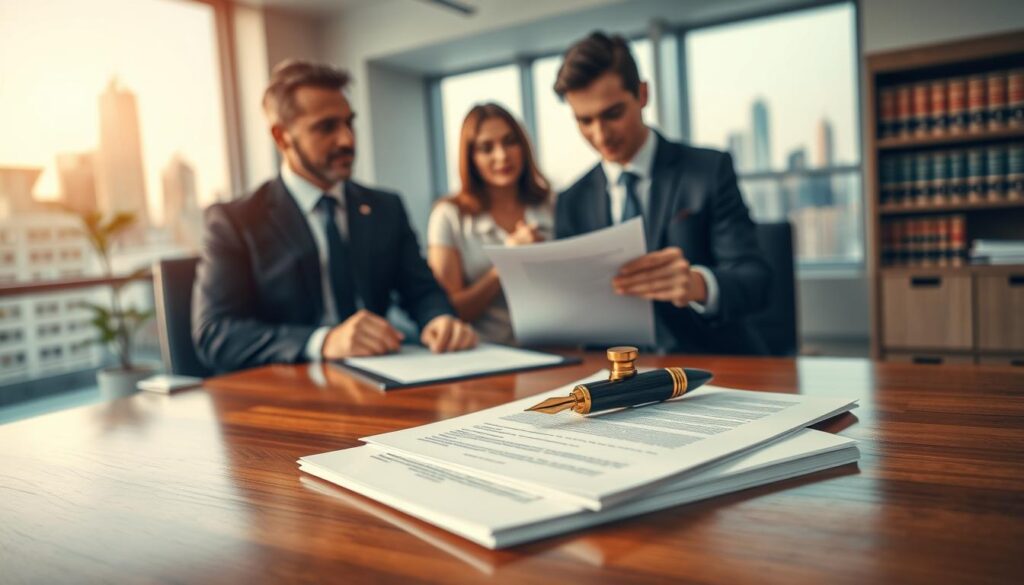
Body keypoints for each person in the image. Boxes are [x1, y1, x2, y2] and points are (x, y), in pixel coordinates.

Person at [192, 60, 476, 373]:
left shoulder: (385, 207)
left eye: (349, 123)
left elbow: (422, 290)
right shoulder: (235, 221)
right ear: (282, 137)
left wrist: (438, 319)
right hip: (289, 391)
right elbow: (215, 334)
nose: (347, 140)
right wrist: (324, 341)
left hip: (386, 377)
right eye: (326, 127)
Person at [553, 32, 772, 354]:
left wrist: (698, 285)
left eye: (612, 114)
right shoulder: (570, 202)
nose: (600, 135)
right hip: (615, 377)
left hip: (711, 362)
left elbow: (757, 281)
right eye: (584, 121)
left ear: (642, 94)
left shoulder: (708, 170)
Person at [426, 104, 553, 344]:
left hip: (559, 348)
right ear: (470, 157)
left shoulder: (552, 205)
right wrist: (506, 263)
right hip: (488, 354)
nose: (502, 155)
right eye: (486, 148)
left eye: (510, 141)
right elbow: (450, 310)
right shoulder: (448, 216)